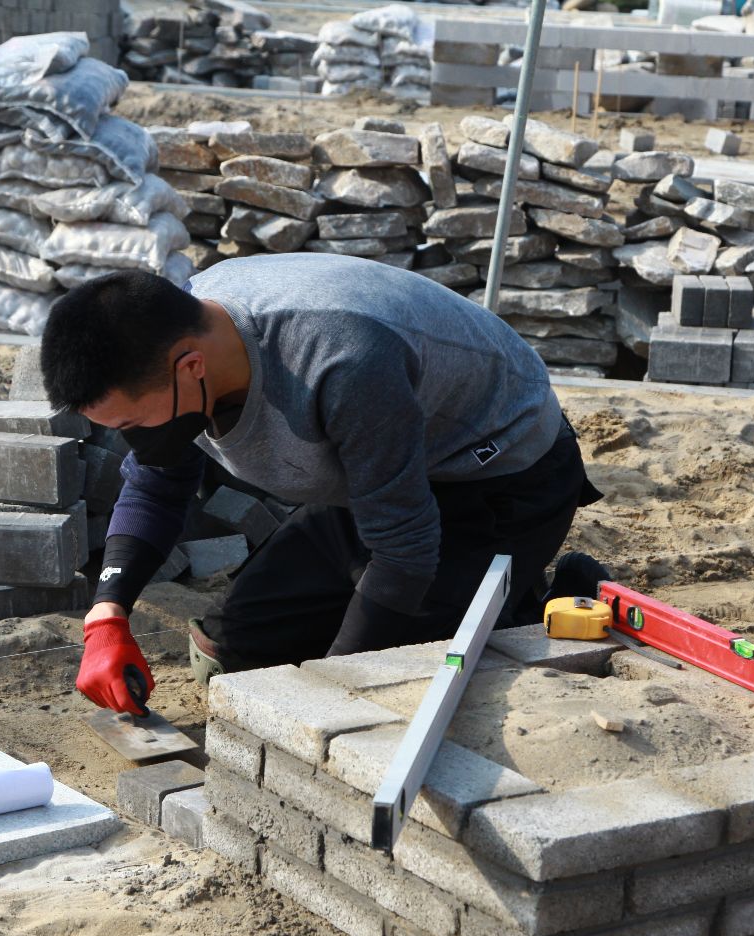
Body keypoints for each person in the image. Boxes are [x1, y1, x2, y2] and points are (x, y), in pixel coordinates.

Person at [39, 253, 607, 717]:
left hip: (498, 478)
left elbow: (405, 549)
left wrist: (334, 691)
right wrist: (107, 617)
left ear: (191, 367)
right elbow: (155, 486)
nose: (132, 439)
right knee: (232, 653)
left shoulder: (342, 359)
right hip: (375, 477)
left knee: (403, 674)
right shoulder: (179, 333)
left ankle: (527, 600)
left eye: (132, 422)